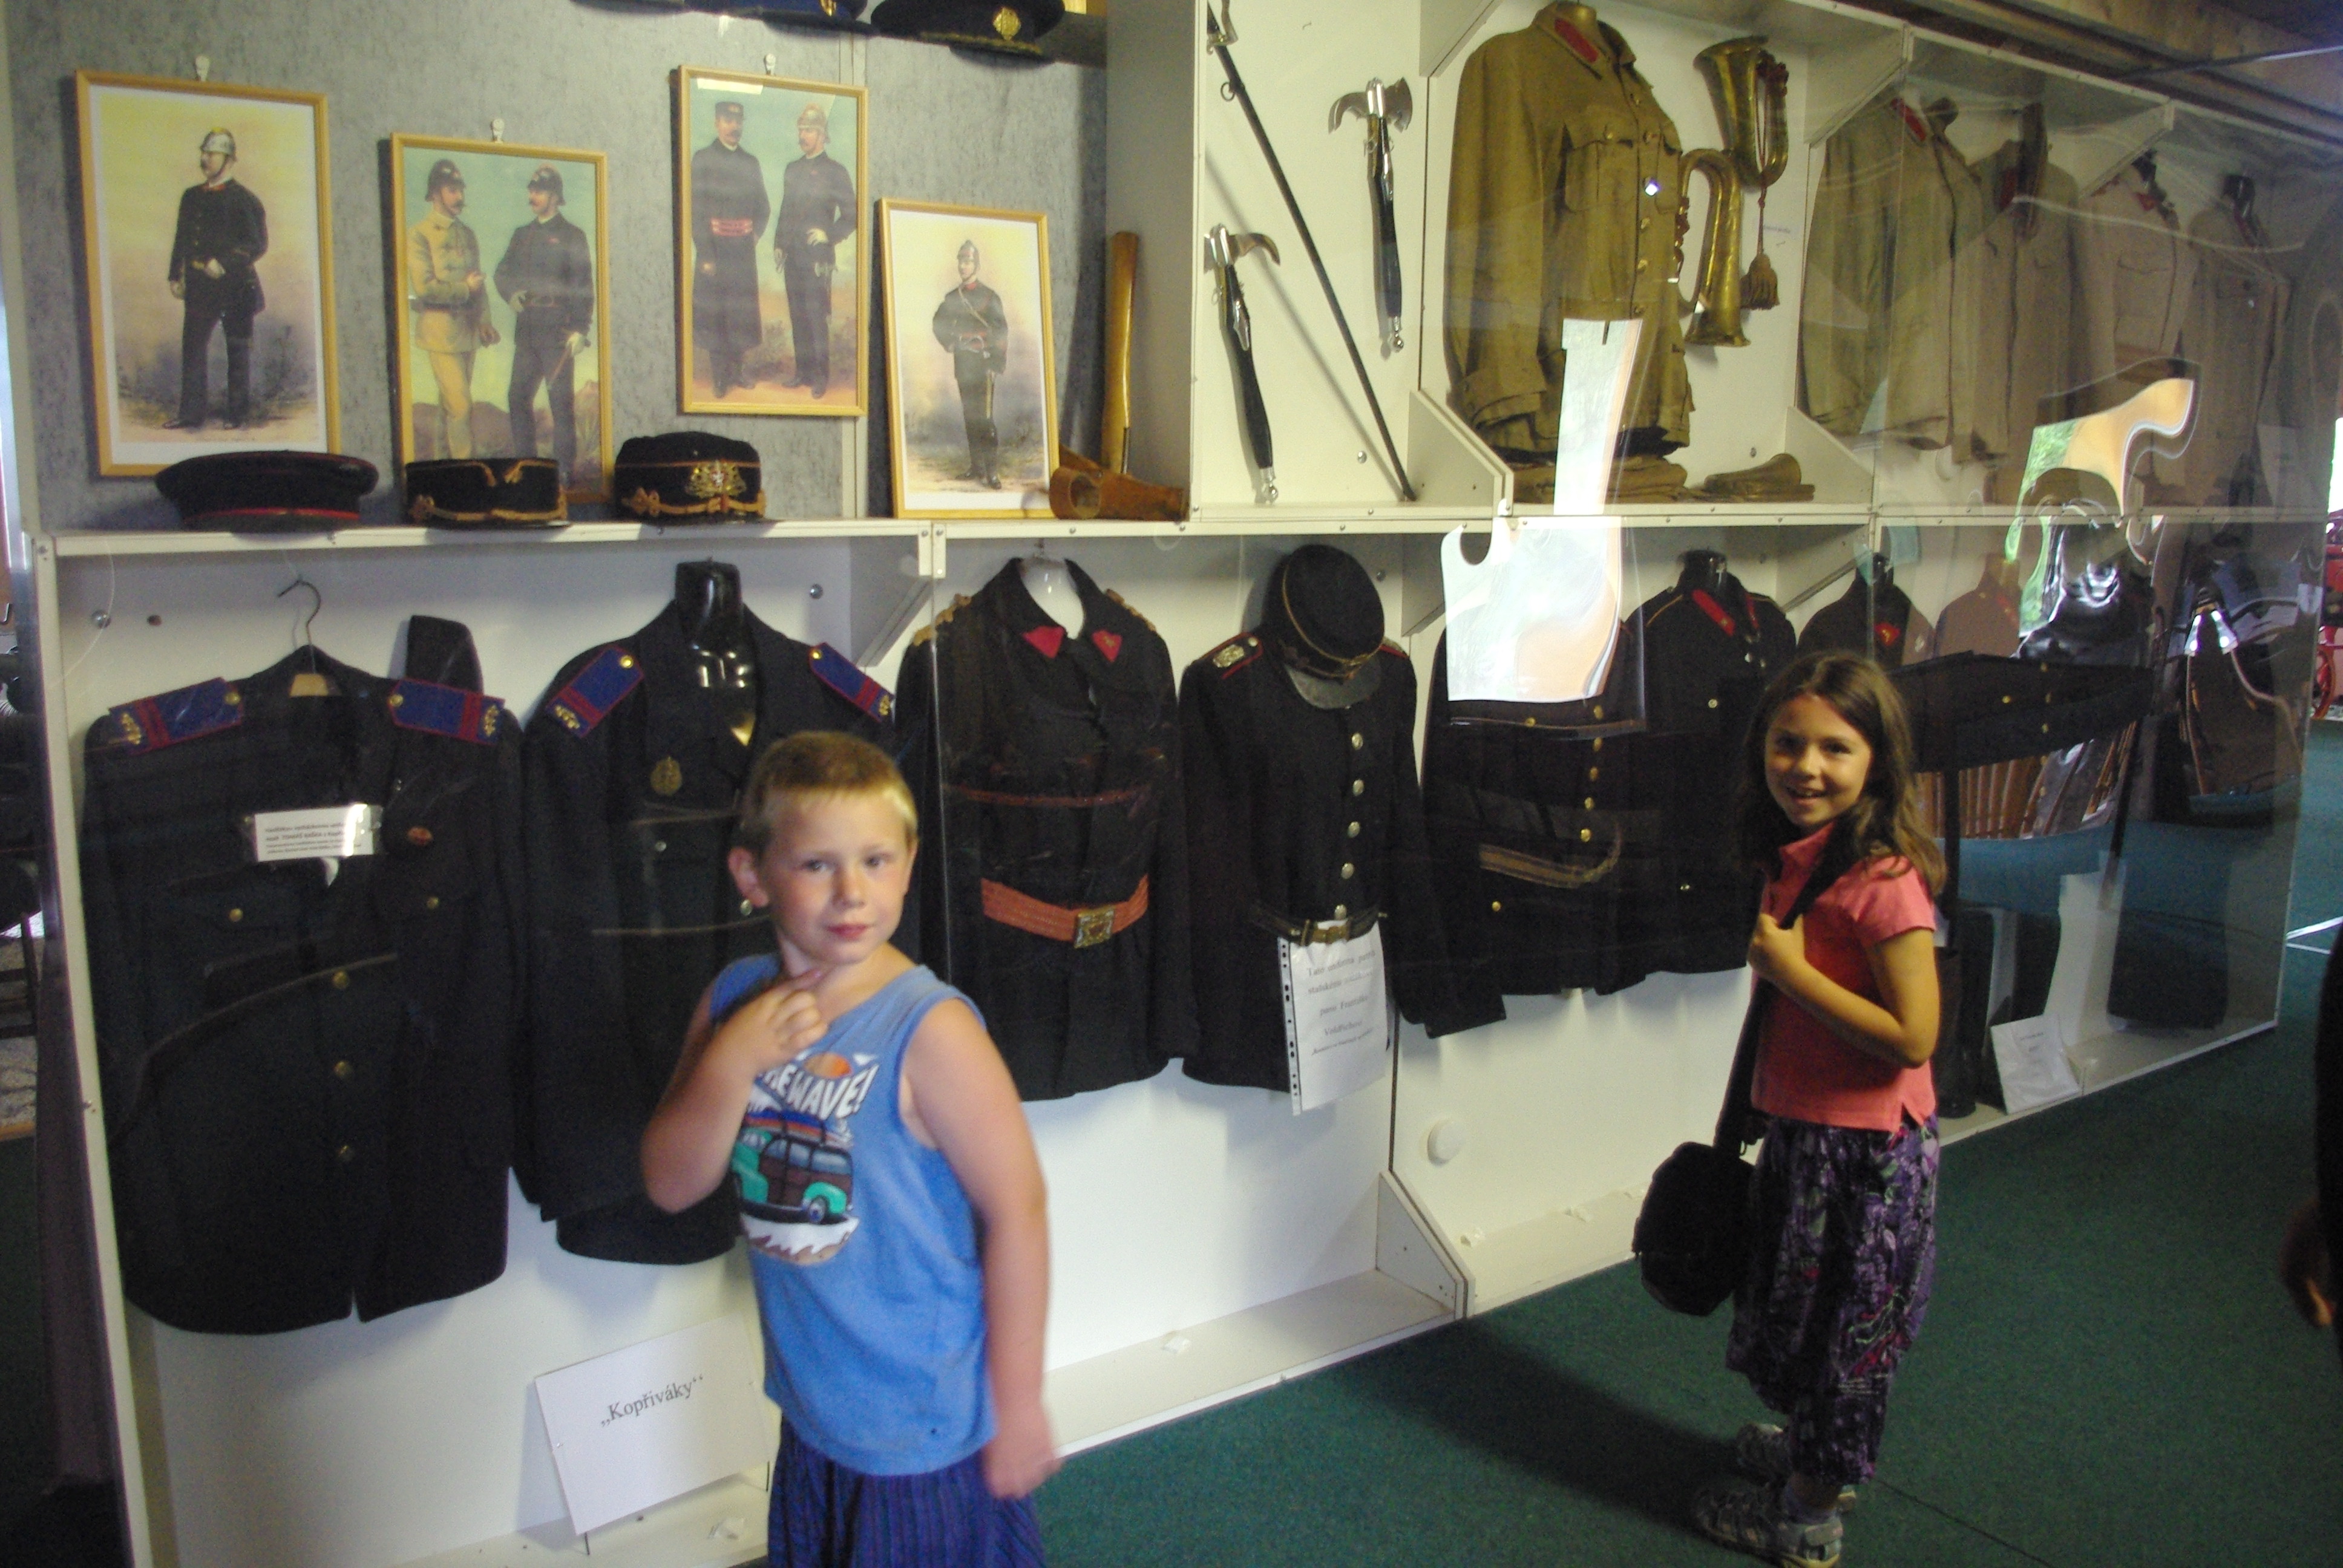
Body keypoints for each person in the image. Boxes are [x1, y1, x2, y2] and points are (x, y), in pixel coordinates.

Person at [641, 732, 1055, 1564]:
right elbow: (671, 1185)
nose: (851, 892)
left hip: (921, 1430)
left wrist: (1018, 1404)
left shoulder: (930, 1030)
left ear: (908, 864)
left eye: (875, 860)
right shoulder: (734, 1000)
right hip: (813, 1411)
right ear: (753, 876)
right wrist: (731, 1061)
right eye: (816, 865)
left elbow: (1020, 1211)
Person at [1695, 651, 1945, 1568]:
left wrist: (1792, 974)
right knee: (1803, 1314)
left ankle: (1807, 1518)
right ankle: (1809, 1453)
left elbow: (1914, 1035)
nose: (1806, 767)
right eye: (1787, 743)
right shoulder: (1800, 855)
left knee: (1846, 1337)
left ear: (1878, 760)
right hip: (1812, 1138)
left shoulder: (1881, 880)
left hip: (1866, 1158)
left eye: (1835, 748)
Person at [494, 164, 594, 483]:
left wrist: (581, 329)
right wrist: (511, 294)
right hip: (527, 331)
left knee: (560, 404)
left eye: (539, 191)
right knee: (517, 398)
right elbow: (502, 273)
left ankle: (564, 472)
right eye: (531, 190)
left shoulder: (573, 236)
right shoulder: (521, 235)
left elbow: (583, 286)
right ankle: (527, 467)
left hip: (558, 332)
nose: (532, 196)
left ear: (554, 195)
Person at [165, 128, 267, 430]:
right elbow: (182, 240)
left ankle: (237, 415)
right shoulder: (191, 197)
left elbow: (257, 244)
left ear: (229, 160)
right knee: (193, 349)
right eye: (204, 153)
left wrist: (224, 264)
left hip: (236, 287)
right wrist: (176, 275)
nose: (205, 159)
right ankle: (190, 414)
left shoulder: (246, 200)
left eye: (211, 154)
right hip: (200, 288)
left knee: (237, 351)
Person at [408, 158, 496, 459]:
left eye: (461, 190)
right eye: (452, 190)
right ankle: (466, 471)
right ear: (435, 193)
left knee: (450, 407)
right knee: (461, 406)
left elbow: (479, 283)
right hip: (440, 332)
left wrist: (485, 321)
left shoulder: (467, 234)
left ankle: (442, 468)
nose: (460, 196)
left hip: (467, 332)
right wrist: (464, 289)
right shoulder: (419, 234)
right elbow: (425, 287)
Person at [774, 102, 856, 401]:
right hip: (793, 255)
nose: (803, 135)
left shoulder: (836, 172)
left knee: (816, 317)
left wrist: (828, 235)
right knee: (798, 315)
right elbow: (786, 211)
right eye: (801, 130)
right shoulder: (792, 169)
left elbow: (852, 215)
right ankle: (803, 373)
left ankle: (821, 377)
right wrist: (779, 244)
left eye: (809, 130)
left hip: (817, 258)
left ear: (822, 134)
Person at [691, 100, 770, 399]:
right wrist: (706, 254)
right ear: (717, 123)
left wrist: (754, 236)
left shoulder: (751, 163)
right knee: (716, 315)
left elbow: (763, 207)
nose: (734, 127)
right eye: (727, 121)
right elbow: (694, 210)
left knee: (740, 314)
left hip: (742, 254)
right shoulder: (703, 159)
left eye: (738, 121)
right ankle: (719, 378)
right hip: (714, 251)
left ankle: (737, 373)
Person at [931, 241, 1009, 488]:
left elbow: (1001, 331)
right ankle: (976, 468)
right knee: (970, 416)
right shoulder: (954, 298)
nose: (963, 266)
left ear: (976, 265)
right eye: (961, 262)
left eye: (968, 262)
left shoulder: (989, 297)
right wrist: (950, 343)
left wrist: (996, 363)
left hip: (984, 363)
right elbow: (938, 323)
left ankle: (992, 472)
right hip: (964, 363)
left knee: (985, 418)